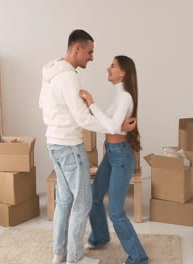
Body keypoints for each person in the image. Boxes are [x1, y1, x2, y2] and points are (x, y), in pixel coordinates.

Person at [39, 30, 137, 264]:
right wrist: (114, 126)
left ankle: (59, 254)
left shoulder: (50, 73)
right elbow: (83, 119)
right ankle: (75, 258)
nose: (92, 58)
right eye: (90, 52)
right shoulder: (69, 77)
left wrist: (103, 117)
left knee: (64, 200)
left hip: (53, 142)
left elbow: (42, 104)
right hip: (71, 146)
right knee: (82, 202)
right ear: (78, 49)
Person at [79, 55, 149, 264]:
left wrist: (92, 103)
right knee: (95, 197)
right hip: (111, 152)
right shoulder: (118, 97)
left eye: (112, 66)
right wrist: (118, 125)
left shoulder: (125, 97)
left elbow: (109, 125)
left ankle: (138, 257)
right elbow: (106, 124)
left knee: (116, 212)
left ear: (123, 72)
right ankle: (100, 238)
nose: (107, 68)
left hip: (120, 154)